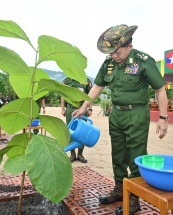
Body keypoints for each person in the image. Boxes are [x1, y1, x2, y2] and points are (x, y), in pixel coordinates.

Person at [72, 24, 168, 215]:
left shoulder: (143, 61)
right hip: (116, 114)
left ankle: (134, 199)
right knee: (117, 154)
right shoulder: (109, 64)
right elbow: (98, 86)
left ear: (128, 46)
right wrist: (84, 106)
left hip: (136, 114)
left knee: (135, 155)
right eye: (111, 52)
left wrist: (163, 118)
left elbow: (160, 89)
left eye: (116, 52)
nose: (113, 56)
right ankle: (119, 189)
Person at [61, 77, 93, 163]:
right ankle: (72, 154)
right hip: (70, 109)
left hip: (82, 109)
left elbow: (90, 95)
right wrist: (63, 108)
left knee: (82, 132)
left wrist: (90, 109)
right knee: (70, 131)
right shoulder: (66, 81)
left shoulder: (86, 81)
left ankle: (80, 154)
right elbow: (63, 95)